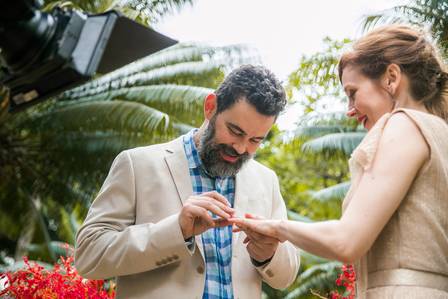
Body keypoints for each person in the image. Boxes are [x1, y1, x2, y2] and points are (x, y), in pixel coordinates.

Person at [231, 25, 448, 298]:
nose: (349, 110)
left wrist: (275, 227)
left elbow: (347, 242)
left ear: (391, 78)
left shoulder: (403, 124)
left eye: (352, 92)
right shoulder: (440, 134)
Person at [75, 65, 300, 299]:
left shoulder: (267, 181)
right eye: (235, 130)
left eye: (255, 140)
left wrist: (268, 253)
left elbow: (287, 275)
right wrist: (176, 231)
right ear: (211, 107)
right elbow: (89, 255)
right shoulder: (136, 164)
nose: (241, 148)